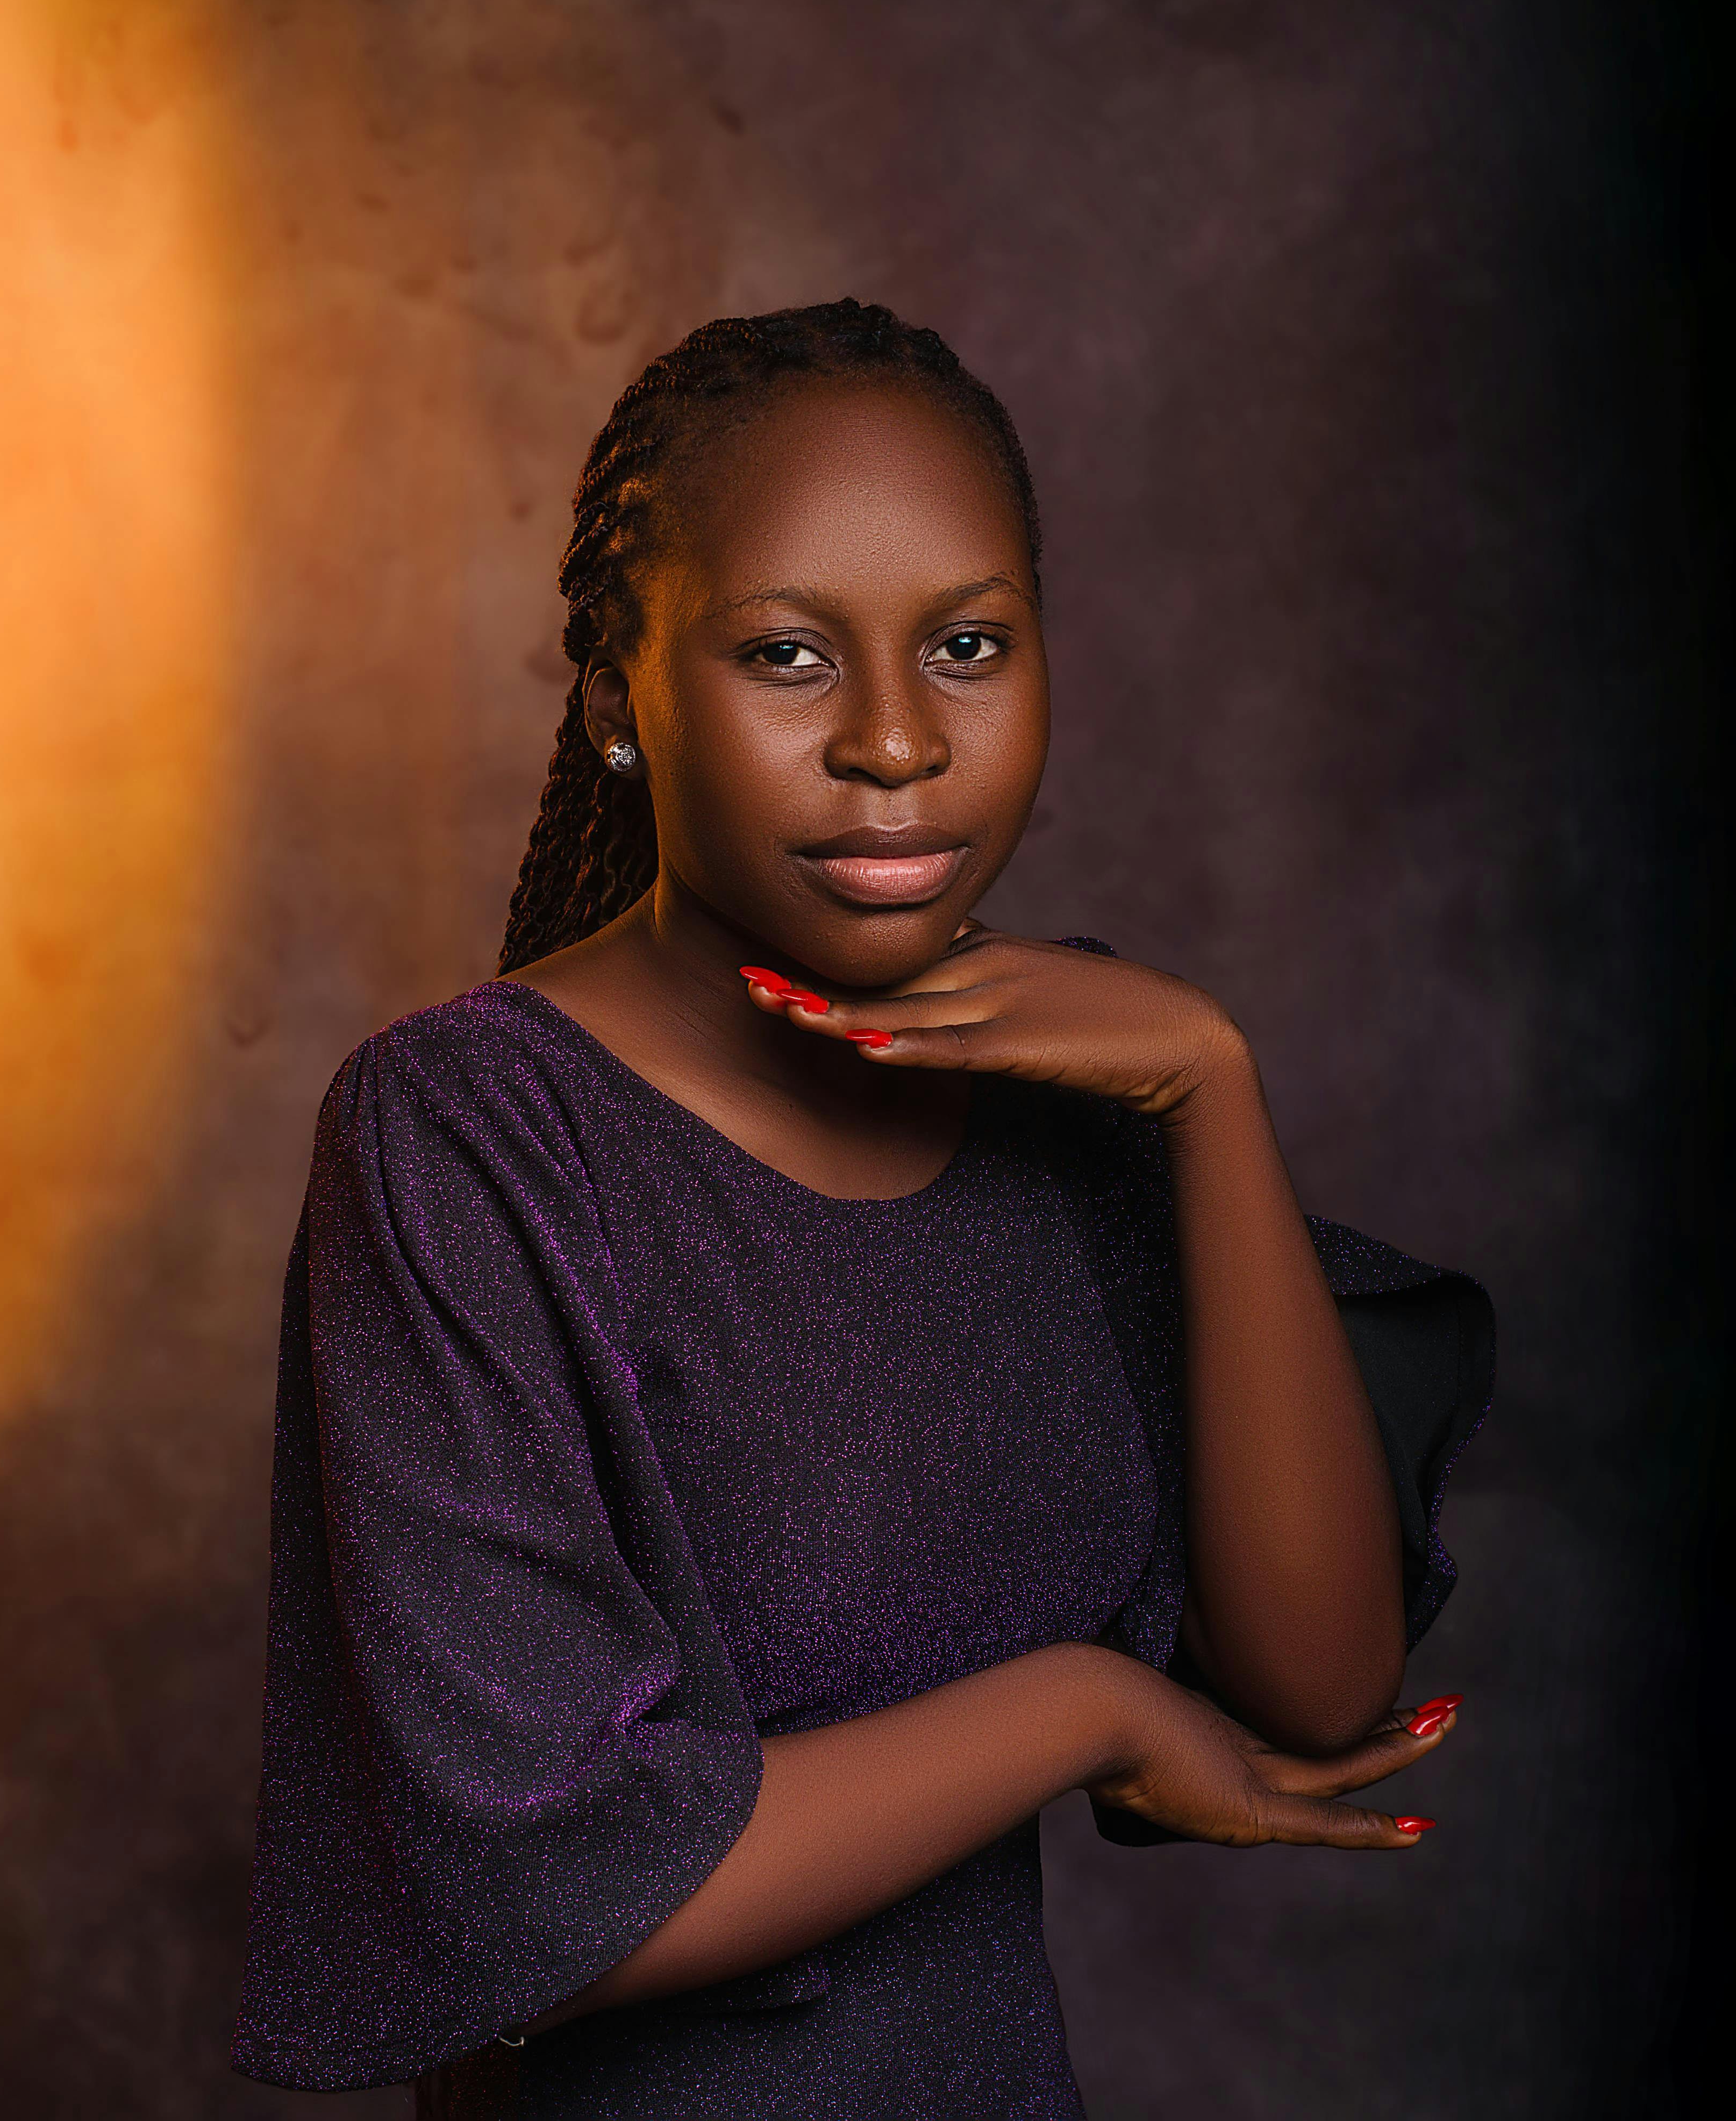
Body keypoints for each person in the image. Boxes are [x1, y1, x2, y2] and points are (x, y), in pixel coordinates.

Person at [231, 300, 1492, 2118]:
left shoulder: (1082, 1081)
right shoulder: (469, 1133)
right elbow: (541, 1897)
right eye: (788, 657)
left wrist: (1210, 1087)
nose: (897, 743)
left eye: (967, 645)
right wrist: (1084, 1708)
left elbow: (1320, 1686)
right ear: (619, 698)